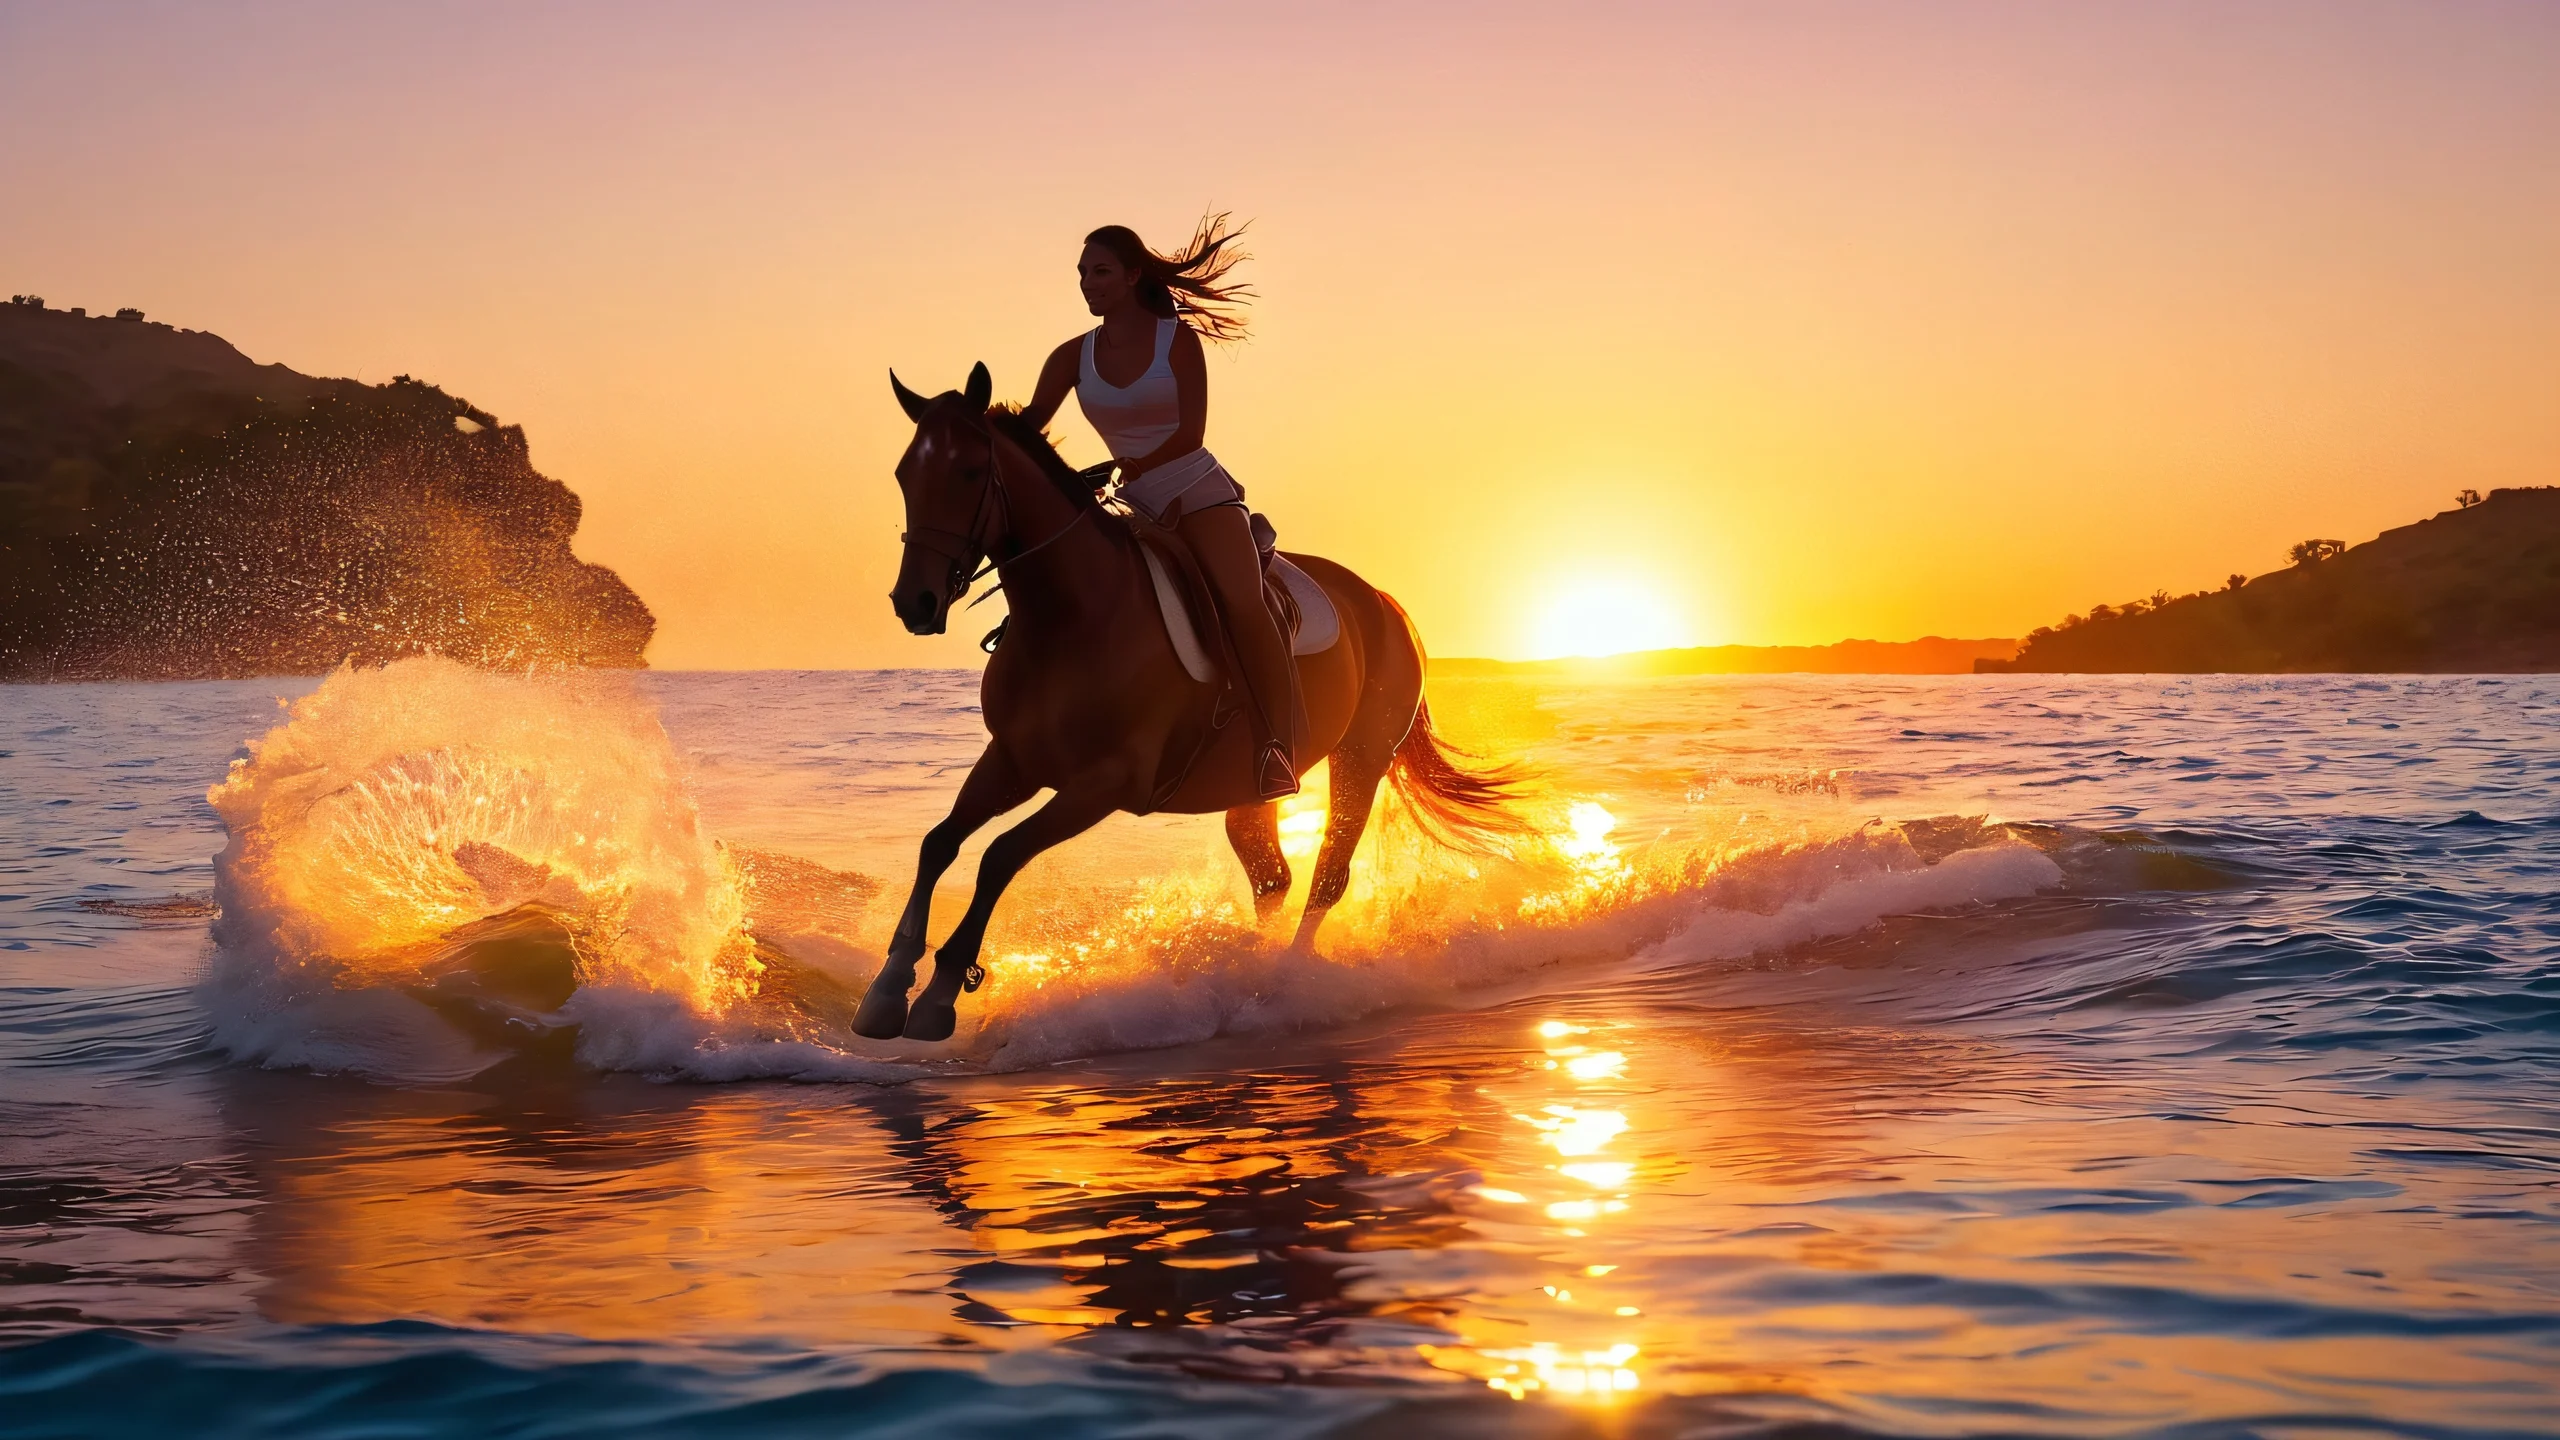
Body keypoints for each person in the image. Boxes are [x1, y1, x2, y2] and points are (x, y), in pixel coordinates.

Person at [1020, 216, 1299, 800]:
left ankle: (1278, 748)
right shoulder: (1073, 356)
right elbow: (1026, 432)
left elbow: (1189, 433)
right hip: (1134, 506)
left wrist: (1133, 469)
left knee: (1244, 603)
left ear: (1131, 275)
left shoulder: (1178, 342)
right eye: (1081, 274)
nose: (1087, 283)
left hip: (1196, 492)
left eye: (1099, 271)